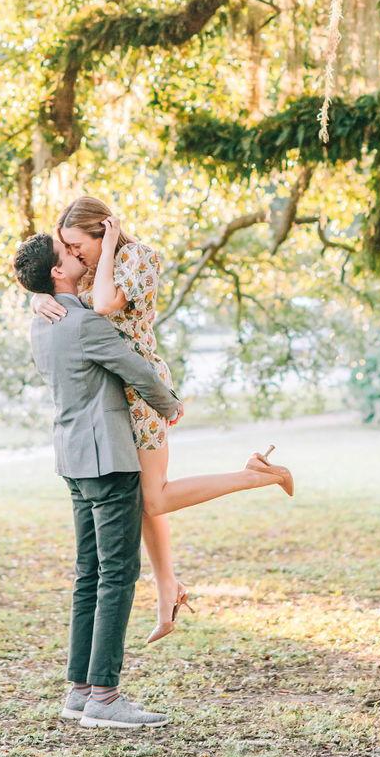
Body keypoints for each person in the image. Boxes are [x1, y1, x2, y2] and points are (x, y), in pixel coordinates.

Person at [27, 194, 294, 644]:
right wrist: (37, 300)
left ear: (104, 231)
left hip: (141, 390)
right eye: (67, 249)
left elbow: (105, 305)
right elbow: (62, 293)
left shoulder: (138, 258)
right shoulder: (86, 267)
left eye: (77, 245)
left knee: (154, 500)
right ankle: (168, 587)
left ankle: (257, 475)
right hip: (108, 396)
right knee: (140, 498)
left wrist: (108, 247)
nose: (73, 254)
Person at [14, 230, 179, 729]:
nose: (75, 253)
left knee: (89, 574)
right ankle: (105, 697)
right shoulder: (85, 323)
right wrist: (171, 406)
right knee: (118, 575)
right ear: (57, 272)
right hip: (108, 459)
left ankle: (80, 690)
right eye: (67, 252)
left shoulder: (41, 324)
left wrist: (37, 296)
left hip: (72, 459)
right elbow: (137, 371)